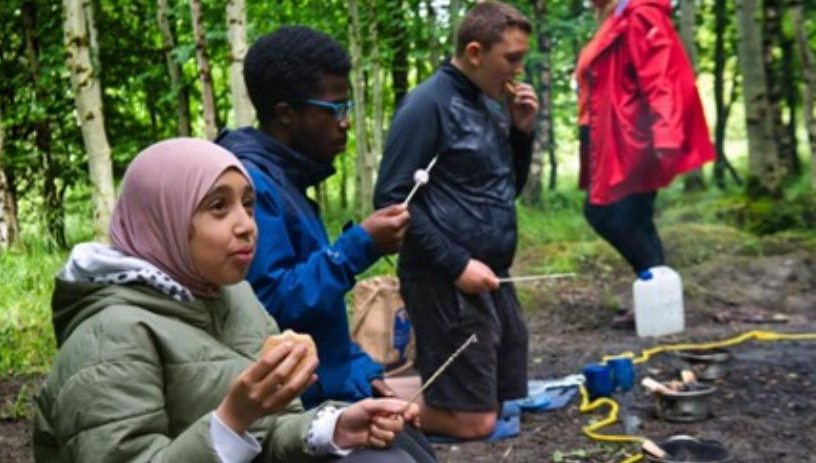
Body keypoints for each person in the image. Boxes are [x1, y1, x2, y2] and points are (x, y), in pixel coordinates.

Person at [32, 138, 425, 463]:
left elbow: (271, 431)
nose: (246, 226)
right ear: (163, 219)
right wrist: (232, 419)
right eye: (218, 206)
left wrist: (332, 427)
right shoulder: (108, 338)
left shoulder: (235, 298)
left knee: (397, 450)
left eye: (248, 204)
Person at [216, 26, 410, 409]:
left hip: (324, 387)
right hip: (294, 411)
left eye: (348, 107)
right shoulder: (252, 187)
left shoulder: (285, 179)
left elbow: (317, 323)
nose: (346, 123)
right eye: (335, 109)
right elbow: (269, 309)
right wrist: (357, 247)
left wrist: (361, 372)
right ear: (286, 114)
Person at [373, 2, 538, 440]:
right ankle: (363, 403)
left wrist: (521, 134)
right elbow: (391, 199)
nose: (519, 71)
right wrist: (456, 265)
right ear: (475, 52)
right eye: (512, 59)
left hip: (489, 274)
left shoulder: (490, 104)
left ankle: (412, 387)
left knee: (503, 396)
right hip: (442, 276)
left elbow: (504, 190)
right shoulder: (427, 104)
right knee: (476, 421)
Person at [575, 0, 714, 327]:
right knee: (636, 218)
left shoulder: (640, 14)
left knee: (606, 213)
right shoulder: (614, 17)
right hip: (606, 132)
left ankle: (659, 295)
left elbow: (660, 75)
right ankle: (658, 303)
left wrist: (666, 136)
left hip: (630, 136)